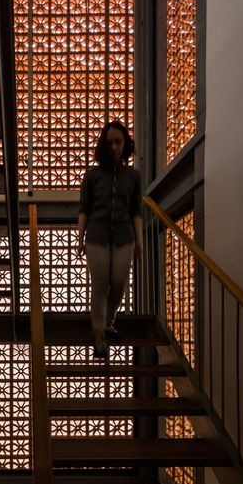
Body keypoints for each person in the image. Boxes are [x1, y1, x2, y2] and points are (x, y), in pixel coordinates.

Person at [78, 120, 143, 359]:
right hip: (97, 235)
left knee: (118, 283)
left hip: (125, 236)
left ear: (125, 144)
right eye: (109, 143)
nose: (114, 147)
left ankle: (108, 321)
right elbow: (84, 208)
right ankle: (98, 334)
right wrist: (80, 237)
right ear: (103, 146)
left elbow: (136, 210)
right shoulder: (92, 175)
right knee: (100, 283)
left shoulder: (133, 177)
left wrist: (139, 241)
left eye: (118, 142)